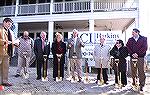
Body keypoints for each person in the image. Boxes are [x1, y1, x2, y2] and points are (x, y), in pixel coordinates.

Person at [0, 18, 14, 86]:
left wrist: (15, 43)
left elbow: (11, 41)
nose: (9, 25)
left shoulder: (10, 32)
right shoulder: (0, 30)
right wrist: (5, 42)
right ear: (4, 22)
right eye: (8, 24)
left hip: (7, 52)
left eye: (10, 25)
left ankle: (4, 82)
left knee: (5, 68)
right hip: (1, 52)